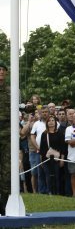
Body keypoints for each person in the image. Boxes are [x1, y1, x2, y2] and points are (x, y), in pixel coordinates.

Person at [39, 115, 65, 194]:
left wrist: (62, 159)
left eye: (52, 120)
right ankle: (49, 191)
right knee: (48, 176)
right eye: (49, 121)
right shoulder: (44, 134)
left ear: (55, 122)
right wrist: (41, 161)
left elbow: (63, 147)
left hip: (57, 158)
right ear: (47, 123)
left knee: (57, 176)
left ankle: (57, 192)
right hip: (46, 158)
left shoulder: (60, 133)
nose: (51, 122)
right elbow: (42, 148)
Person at [0, 60, 10, 215]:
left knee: (7, 172)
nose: (1, 72)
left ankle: (4, 205)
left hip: (7, 136)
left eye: (3, 70)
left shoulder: (12, 90)